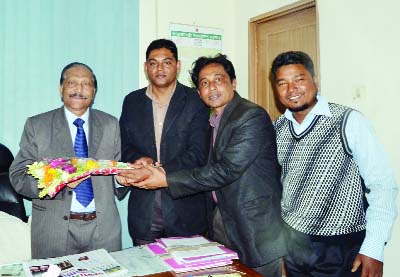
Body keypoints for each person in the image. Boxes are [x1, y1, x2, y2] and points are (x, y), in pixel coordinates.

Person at [118, 54, 287, 277]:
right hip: (221, 223)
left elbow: (226, 170)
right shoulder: (213, 121)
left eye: (219, 79)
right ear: (199, 92)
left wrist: (165, 178)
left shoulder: (250, 116)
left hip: (255, 228)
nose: (212, 88)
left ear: (233, 82)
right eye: (204, 83)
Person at [271, 51, 398, 277]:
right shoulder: (277, 128)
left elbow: (383, 185)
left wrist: (374, 248)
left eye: (299, 79)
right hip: (294, 247)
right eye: (283, 83)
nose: (291, 90)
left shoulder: (348, 121)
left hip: (341, 249)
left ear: (315, 82)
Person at [10, 62, 122, 259]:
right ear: (61, 88)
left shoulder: (110, 124)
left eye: (86, 84)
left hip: (103, 229)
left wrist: (129, 177)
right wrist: (58, 181)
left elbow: (117, 173)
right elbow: (18, 176)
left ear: (94, 91)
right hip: (53, 230)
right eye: (72, 83)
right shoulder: (38, 125)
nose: (79, 89)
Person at [116, 39, 210, 245]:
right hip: (144, 212)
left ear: (177, 65)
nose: (160, 68)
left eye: (167, 62)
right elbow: (123, 145)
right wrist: (137, 159)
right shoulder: (132, 101)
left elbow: (198, 153)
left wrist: (158, 172)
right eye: (153, 62)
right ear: (145, 67)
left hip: (185, 211)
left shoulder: (196, 101)